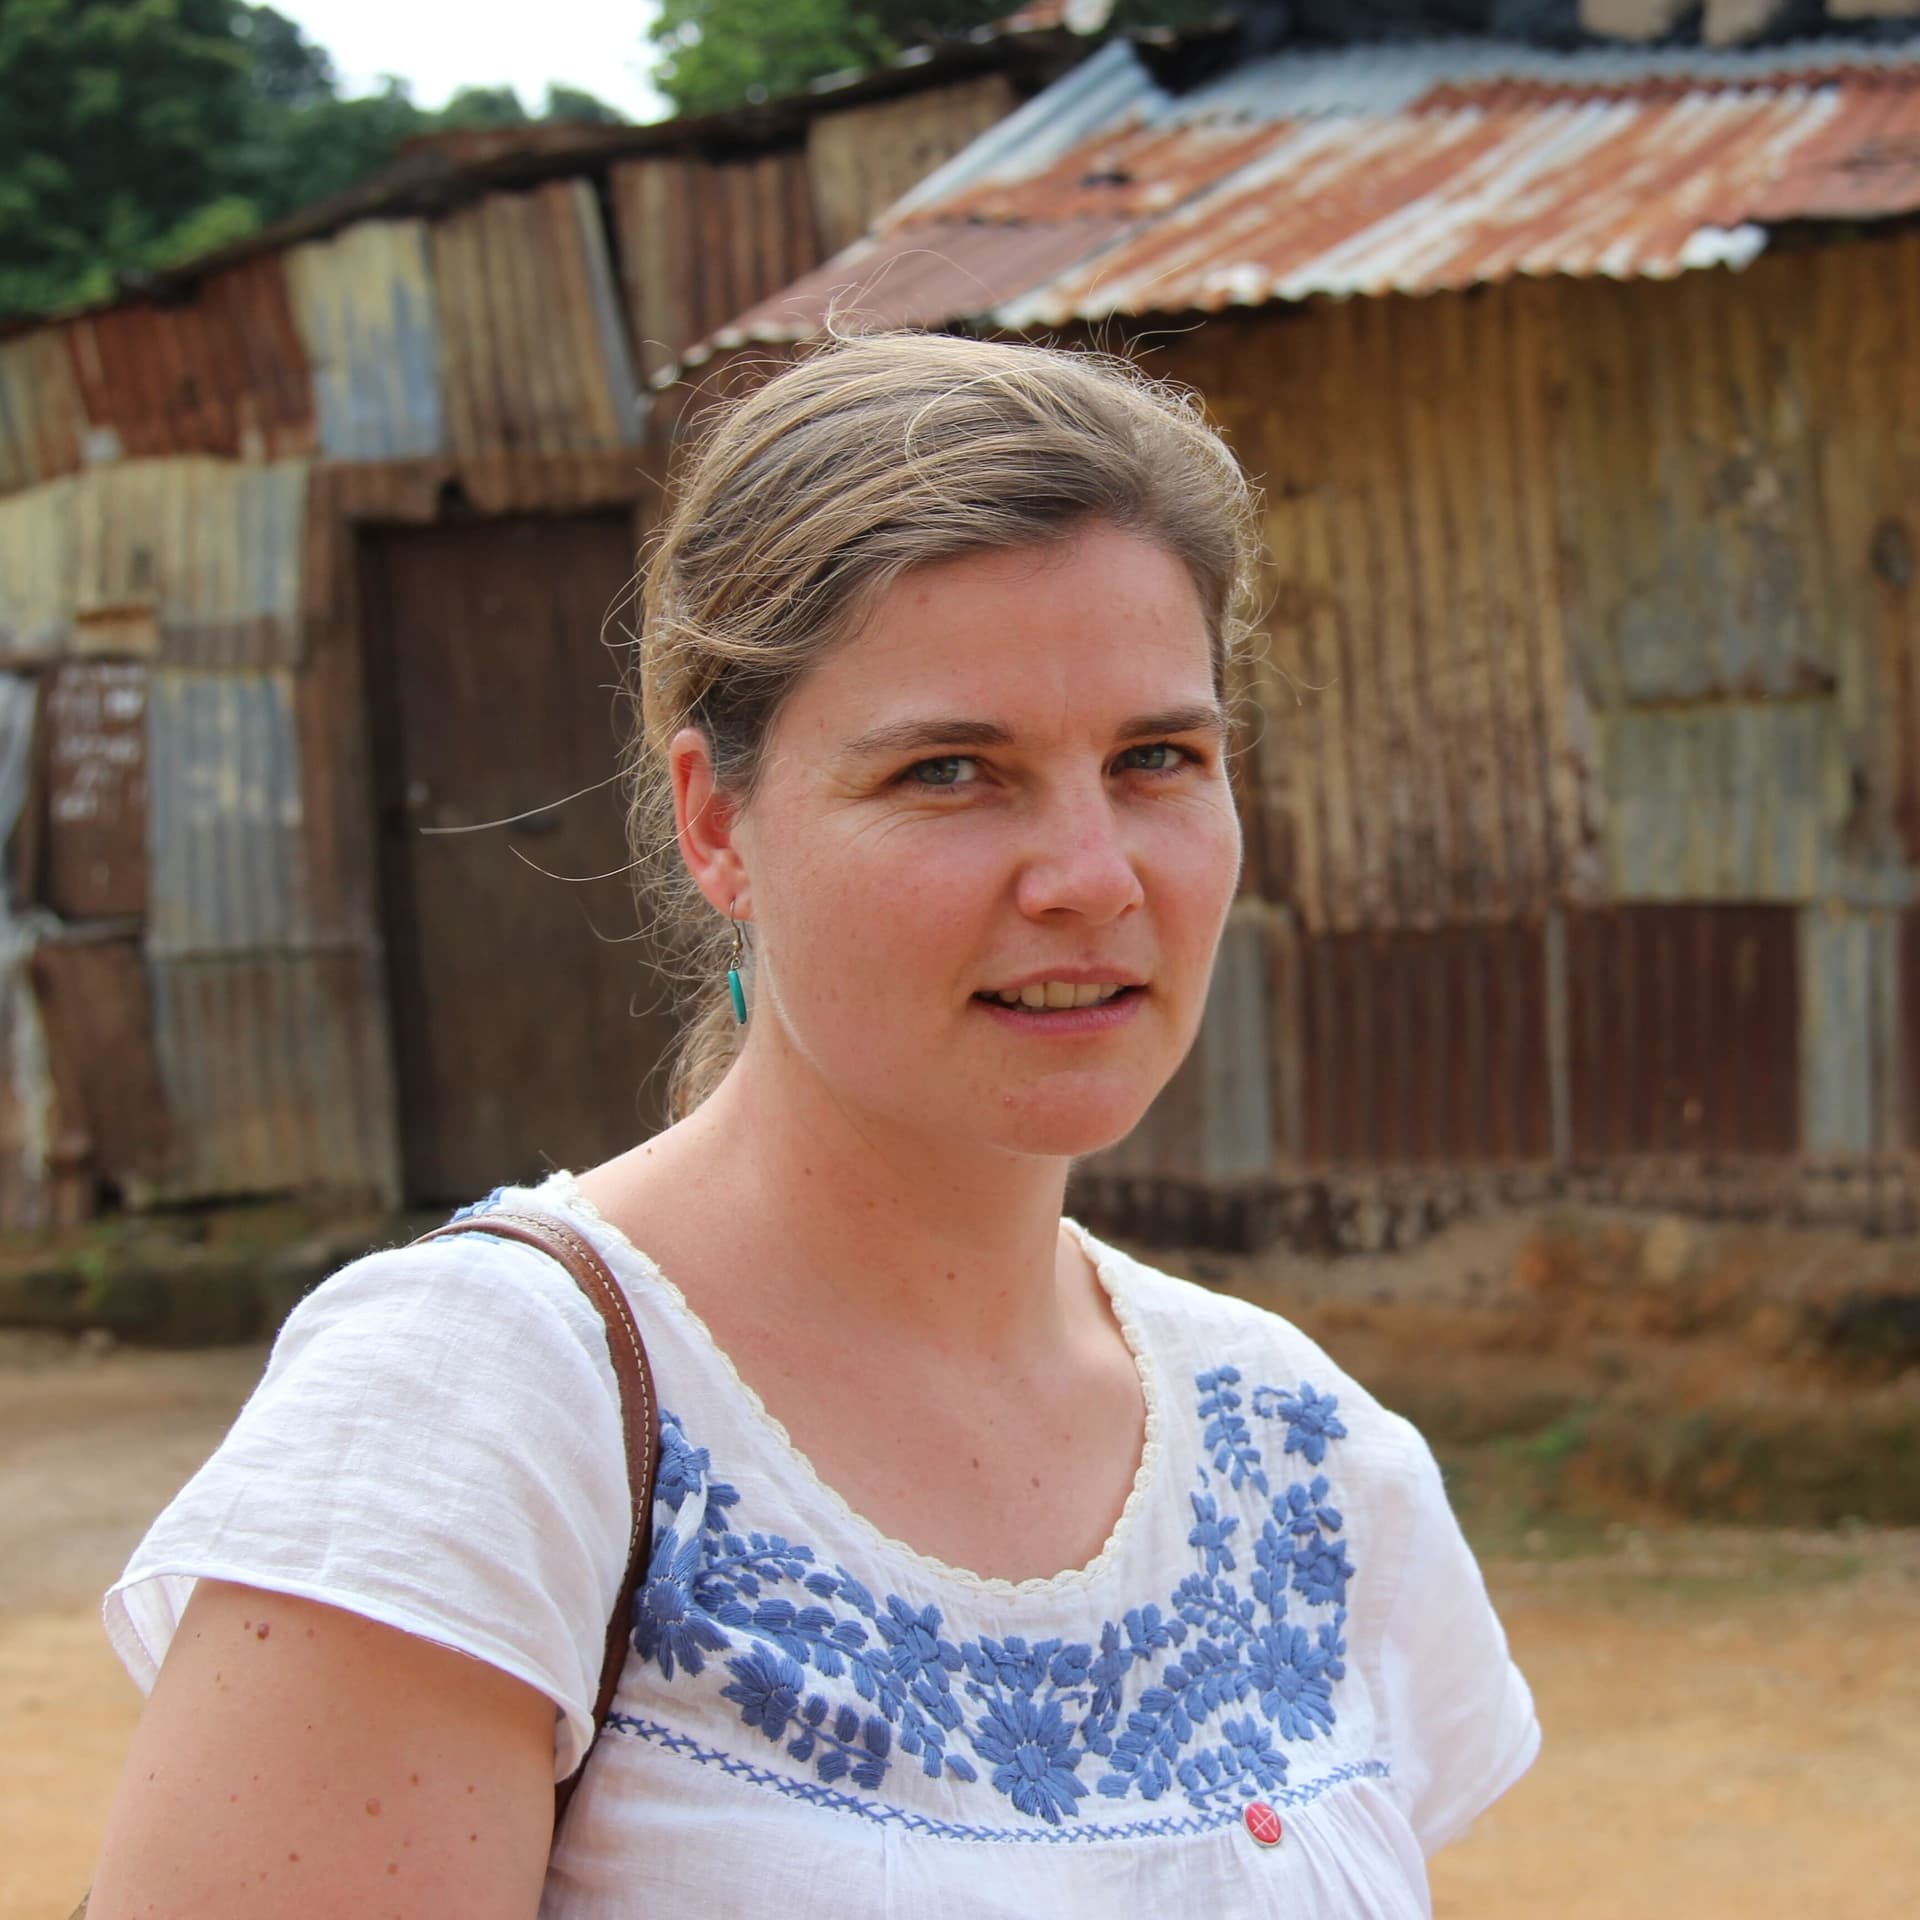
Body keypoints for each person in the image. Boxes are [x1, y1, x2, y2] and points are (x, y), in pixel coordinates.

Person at [86, 333, 1537, 1918]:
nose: (1093, 875)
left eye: (1156, 759)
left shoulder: (1307, 1457)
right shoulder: (485, 1411)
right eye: (950, 772)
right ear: (719, 821)